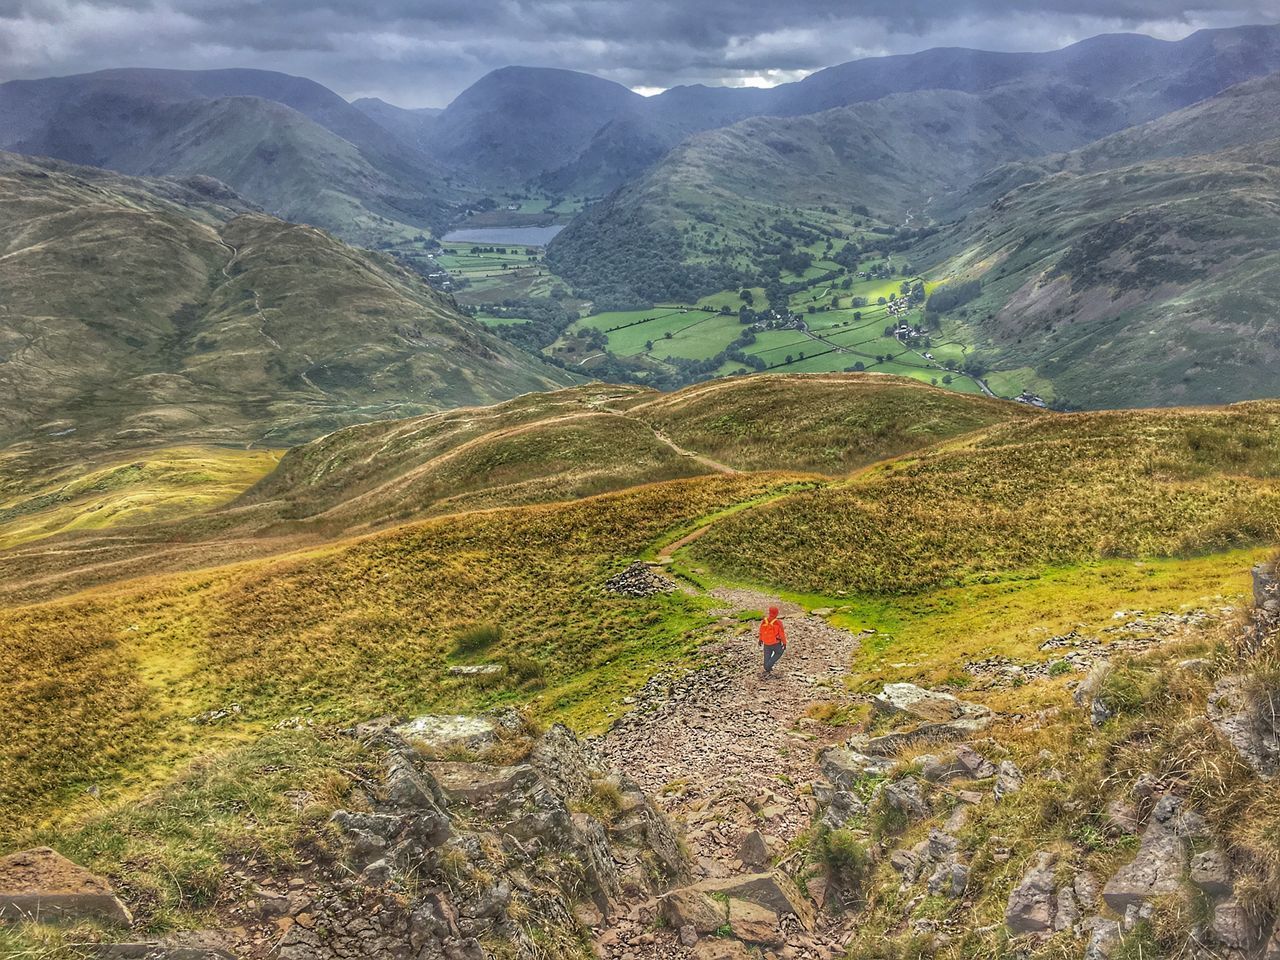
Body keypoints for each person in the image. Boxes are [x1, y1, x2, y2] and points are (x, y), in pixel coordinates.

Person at [759, 606, 787, 679]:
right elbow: (781, 634)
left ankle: (766, 667)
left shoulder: (764, 621)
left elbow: (761, 631)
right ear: (776, 613)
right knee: (779, 652)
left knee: (767, 655)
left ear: (769, 612)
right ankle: (769, 665)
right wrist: (784, 643)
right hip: (775, 643)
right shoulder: (778, 622)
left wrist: (760, 639)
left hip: (766, 642)